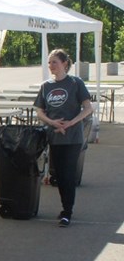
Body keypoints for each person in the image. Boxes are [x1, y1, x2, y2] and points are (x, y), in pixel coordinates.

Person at [34, 48, 95, 227]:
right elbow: (39, 111)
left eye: (55, 62)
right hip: (55, 136)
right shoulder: (46, 86)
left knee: (68, 174)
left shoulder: (75, 83)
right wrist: (52, 123)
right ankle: (64, 207)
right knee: (59, 174)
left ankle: (67, 211)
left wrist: (70, 123)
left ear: (64, 64)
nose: (51, 66)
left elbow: (88, 108)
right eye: (50, 62)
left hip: (73, 137)